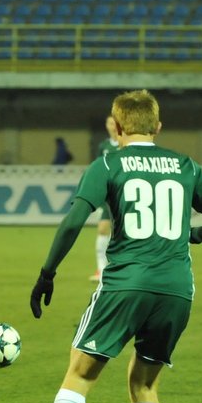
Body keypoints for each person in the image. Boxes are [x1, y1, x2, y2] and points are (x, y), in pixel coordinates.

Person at [20, 90, 202, 403]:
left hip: (125, 284)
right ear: (158, 127)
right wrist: (189, 235)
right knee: (145, 383)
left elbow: (74, 220)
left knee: (80, 374)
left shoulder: (108, 163)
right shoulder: (186, 165)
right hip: (176, 289)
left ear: (117, 127)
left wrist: (47, 273)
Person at [90, 114, 118, 282]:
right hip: (108, 195)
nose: (112, 126)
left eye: (114, 123)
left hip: (123, 193)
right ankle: (101, 269)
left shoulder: (125, 144)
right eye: (109, 123)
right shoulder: (104, 146)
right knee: (102, 229)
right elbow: (99, 167)